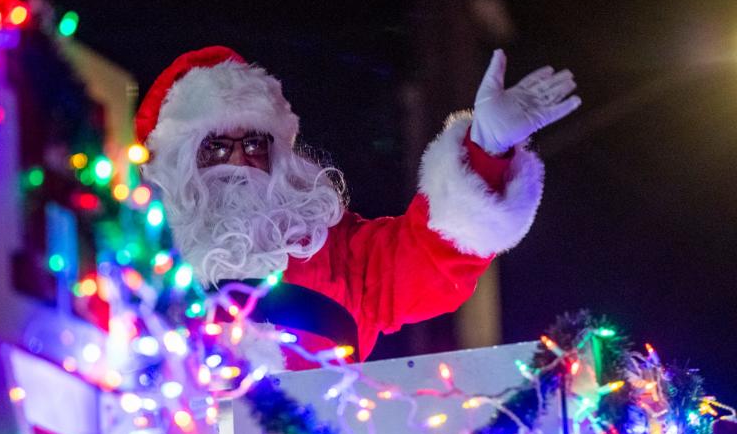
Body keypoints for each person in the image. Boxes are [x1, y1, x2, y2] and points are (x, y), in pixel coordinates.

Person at [137, 46, 579, 366]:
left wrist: (486, 149)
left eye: (254, 142)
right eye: (215, 146)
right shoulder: (135, 255)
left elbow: (427, 255)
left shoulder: (336, 253)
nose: (239, 160)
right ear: (178, 162)